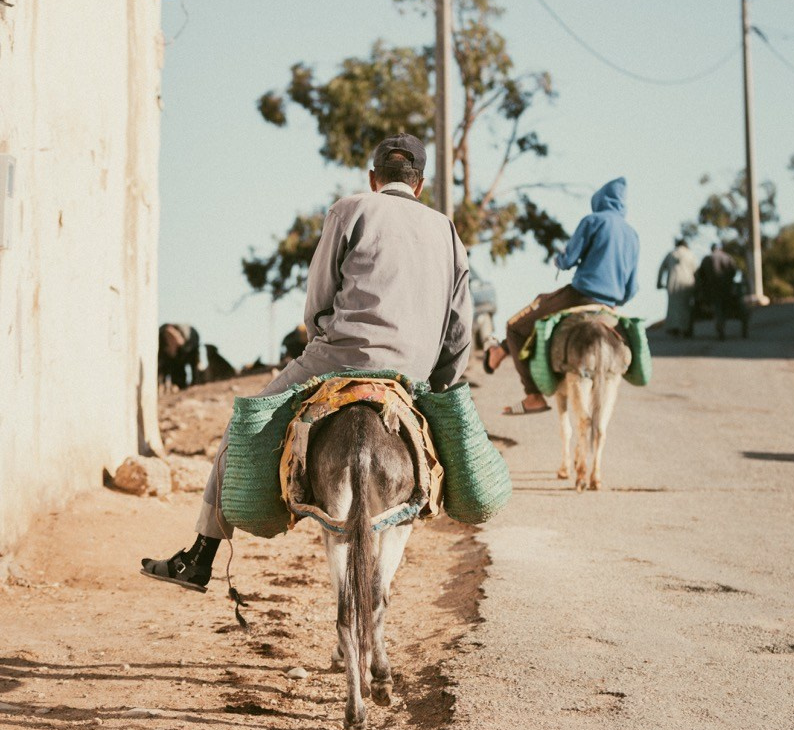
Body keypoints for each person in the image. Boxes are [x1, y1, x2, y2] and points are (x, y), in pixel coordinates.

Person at [141, 134, 473, 589]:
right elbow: (459, 329)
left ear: (375, 179)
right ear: (420, 184)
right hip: (412, 371)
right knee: (449, 450)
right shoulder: (448, 231)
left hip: (339, 357)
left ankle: (201, 555)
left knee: (243, 426)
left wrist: (323, 342)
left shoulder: (351, 209)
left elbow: (317, 301)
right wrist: (438, 385)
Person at [485, 177, 640, 414]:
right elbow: (632, 287)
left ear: (600, 200)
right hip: (610, 305)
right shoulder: (632, 235)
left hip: (580, 295)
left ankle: (533, 395)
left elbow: (568, 260)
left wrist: (560, 259)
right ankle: (500, 352)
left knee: (515, 326)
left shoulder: (593, 221)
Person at [657, 238, 697, 336]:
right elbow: (696, 270)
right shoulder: (690, 254)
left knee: (673, 306)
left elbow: (661, 269)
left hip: (672, 283)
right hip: (688, 283)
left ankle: (674, 327)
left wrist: (659, 283)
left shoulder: (671, 254)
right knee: (686, 306)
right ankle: (686, 328)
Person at [697, 242, 738, 340]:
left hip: (711, 289)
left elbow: (700, 274)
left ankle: (719, 325)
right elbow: (733, 272)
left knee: (717, 307)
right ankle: (721, 325)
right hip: (725, 288)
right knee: (723, 307)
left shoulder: (707, 259)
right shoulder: (727, 257)